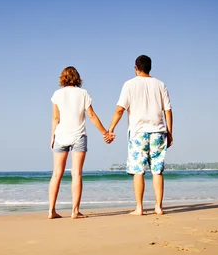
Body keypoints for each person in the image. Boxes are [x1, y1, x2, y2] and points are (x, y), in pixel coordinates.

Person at [107, 55, 173, 215]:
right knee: (157, 170)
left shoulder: (129, 85)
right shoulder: (160, 84)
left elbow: (120, 109)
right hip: (158, 130)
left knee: (138, 170)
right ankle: (158, 207)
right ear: (150, 67)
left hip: (138, 133)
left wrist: (111, 129)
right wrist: (170, 132)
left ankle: (140, 207)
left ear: (136, 67)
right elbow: (168, 110)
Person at [49, 66, 112, 219]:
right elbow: (91, 115)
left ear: (62, 78)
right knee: (76, 173)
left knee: (57, 173)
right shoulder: (83, 93)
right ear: (77, 78)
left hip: (61, 136)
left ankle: (51, 211)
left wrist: (52, 137)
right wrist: (105, 133)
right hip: (78, 136)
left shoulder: (57, 94)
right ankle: (75, 211)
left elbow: (55, 118)